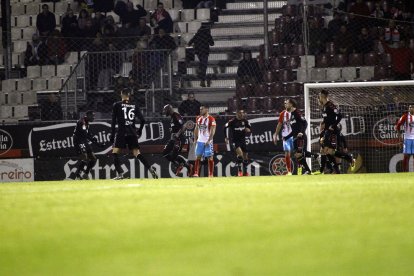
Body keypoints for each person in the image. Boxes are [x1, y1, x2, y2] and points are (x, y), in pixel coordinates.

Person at [110, 88, 158, 179]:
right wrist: (139, 130)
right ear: (129, 95)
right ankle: (151, 169)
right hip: (132, 132)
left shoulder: (117, 105)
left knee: (115, 152)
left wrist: (112, 135)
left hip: (122, 132)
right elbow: (143, 120)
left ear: (121, 94)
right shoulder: (134, 105)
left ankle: (120, 174)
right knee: (137, 153)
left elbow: (113, 122)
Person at [318, 89, 355, 173]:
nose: (319, 98)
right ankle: (337, 168)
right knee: (326, 150)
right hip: (327, 131)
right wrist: (323, 123)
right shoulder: (323, 107)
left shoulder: (330, 105)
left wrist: (333, 126)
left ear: (322, 96)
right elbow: (326, 118)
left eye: (320, 96)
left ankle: (347, 161)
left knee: (327, 150)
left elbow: (340, 116)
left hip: (332, 131)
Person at [162, 104, 193, 176]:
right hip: (173, 139)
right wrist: (172, 130)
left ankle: (184, 165)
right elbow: (176, 127)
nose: (165, 112)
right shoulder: (172, 117)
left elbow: (184, 125)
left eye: (165, 111)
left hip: (179, 139)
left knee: (174, 156)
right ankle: (182, 165)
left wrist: (177, 134)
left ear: (169, 110)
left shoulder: (176, 115)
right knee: (165, 153)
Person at [72, 111, 102, 180]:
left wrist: (97, 143)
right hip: (79, 141)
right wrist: (92, 138)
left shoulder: (87, 123)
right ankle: (78, 175)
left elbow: (87, 134)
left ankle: (86, 174)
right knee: (85, 158)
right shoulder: (82, 122)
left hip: (84, 141)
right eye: (92, 116)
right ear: (88, 115)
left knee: (93, 159)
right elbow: (84, 132)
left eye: (94, 116)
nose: (94, 118)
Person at [224, 109, 251, 176]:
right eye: (240, 113)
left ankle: (245, 172)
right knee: (240, 154)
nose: (241, 114)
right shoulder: (232, 121)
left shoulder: (245, 121)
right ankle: (239, 171)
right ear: (237, 114)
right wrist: (226, 137)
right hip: (235, 141)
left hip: (243, 140)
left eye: (242, 113)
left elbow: (249, 128)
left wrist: (248, 130)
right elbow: (225, 127)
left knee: (245, 156)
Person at [193, 105, 216, 177]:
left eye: (202, 109)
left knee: (210, 157)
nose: (200, 111)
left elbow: (213, 131)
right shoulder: (198, 118)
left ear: (206, 109)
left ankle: (211, 174)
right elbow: (196, 129)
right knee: (198, 156)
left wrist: (209, 140)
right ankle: (196, 173)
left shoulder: (211, 119)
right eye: (200, 109)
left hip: (208, 141)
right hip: (200, 141)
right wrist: (195, 139)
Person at [273, 99, 294, 175]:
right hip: (286, 136)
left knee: (298, 153)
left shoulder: (294, 113)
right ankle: (289, 171)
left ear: (291, 104)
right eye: (285, 103)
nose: (285, 105)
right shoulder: (282, 114)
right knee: (287, 153)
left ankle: (300, 170)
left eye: (287, 103)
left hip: (294, 135)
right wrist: (275, 135)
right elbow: (279, 125)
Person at [396, 104, 414, 172]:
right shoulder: (405, 116)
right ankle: (405, 172)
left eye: (412, 107)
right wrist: (400, 138)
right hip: (407, 139)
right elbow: (397, 126)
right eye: (409, 107)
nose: (411, 108)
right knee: (406, 156)